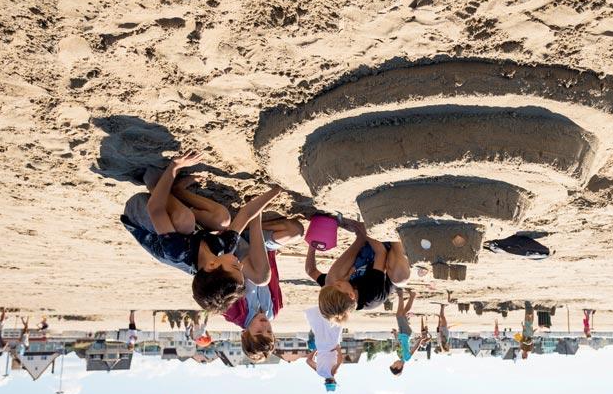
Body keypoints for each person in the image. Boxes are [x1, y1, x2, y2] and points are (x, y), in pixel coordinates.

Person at [120, 149, 285, 312]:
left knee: (184, 221)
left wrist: (174, 166)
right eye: (242, 270)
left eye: (236, 268)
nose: (241, 264)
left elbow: (155, 209)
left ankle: (155, 184)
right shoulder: (224, 248)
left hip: (139, 212)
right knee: (223, 219)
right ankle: (176, 191)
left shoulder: (178, 252)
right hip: (170, 221)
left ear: (212, 265)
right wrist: (278, 189)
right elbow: (246, 213)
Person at [224, 213, 304, 362]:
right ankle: (251, 223)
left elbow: (223, 274)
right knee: (296, 231)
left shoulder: (234, 313)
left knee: (259, 277)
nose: (264, 325)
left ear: (244, 334)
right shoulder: (274, 310)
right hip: (262, 249)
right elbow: (274, 276)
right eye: (269, 331)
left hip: (236, 251)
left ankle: (253, 216)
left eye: (259, 332)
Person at [309, 222, 411, 323]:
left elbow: (311, 271)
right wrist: (366, 230)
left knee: (330, 280)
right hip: (389, 259)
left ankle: (361, 236)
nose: (336, 282)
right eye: (339, 285)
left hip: (368, 249)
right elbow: (381, 252)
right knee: (401, 279)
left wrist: (312, 244)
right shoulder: (372, 296)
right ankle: (395, 235)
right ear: (351, 295)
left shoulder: (334, 288)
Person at [304, 307, 343, 391]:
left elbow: (340, 361)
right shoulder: (319, 372)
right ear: (325, 382)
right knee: (319, 328)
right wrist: (316, 349)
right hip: (320, 345)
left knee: (334, 326)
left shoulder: (332, 373)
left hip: (331, 346)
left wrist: (338, 349)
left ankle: (333, 307)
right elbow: (308, 360)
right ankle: (320, 309)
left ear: (334, 382)